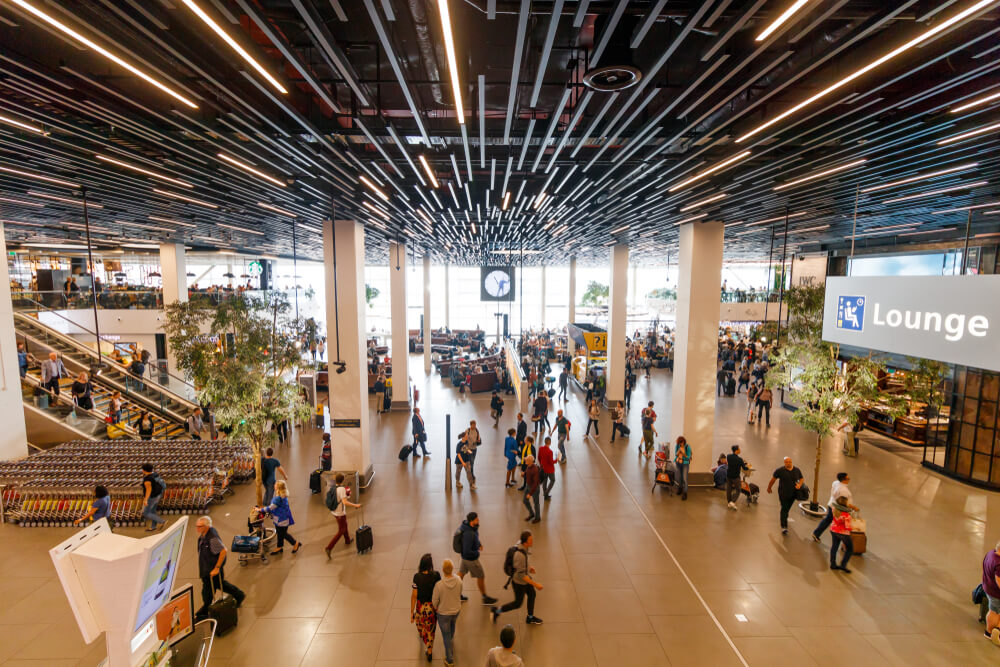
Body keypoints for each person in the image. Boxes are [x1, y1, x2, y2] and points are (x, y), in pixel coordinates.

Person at [193, 516, 245, 620]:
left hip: (212, 570)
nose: (197, 528)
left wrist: (217, 568)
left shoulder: (211, 538)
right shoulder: (205, 535)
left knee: (207, 591)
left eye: (199, 526)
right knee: (221, 585)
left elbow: (223, 551)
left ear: (207, 526)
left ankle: (206, 609)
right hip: (207, 569)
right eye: (196, 526)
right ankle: (239, 595)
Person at [490, 531, 543, 625]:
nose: (532, 541)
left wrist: (529, 568)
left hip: (524, 579)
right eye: (530, 540)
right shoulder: (520, 555)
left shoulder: (522, 547)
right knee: (517, 603)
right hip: (519, 583)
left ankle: (530, 617)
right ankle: (496, 611)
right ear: (525, 542)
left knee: (532, 594)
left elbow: (521, 565)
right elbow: (522, 576)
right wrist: (536, 584)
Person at [457, 512, 498, 605]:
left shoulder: (471, 527)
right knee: (481, 576)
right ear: (471, 521)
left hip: (464, 558)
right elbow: (467, 550)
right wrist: (476, 552)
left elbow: (475, 536)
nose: (478, 520)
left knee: (461, 575)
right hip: (471, 560)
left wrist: (478, 544)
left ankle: (455, 595)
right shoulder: (469, 533)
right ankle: (485, 597)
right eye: (476, 519)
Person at [432, 558, 463, 667]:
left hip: (443, 613)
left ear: (443, 570)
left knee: (445, 634)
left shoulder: (439, 585)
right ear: (452, 569)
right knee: (452, 625)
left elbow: (434, 601)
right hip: (456, 610)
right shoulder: (459, 580)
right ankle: (450, 641)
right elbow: (460, 593)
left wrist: (436, 608)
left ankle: (449, 660)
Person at [410, 553, 440, 662]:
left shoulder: (417, 577)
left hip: (421, 607)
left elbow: (414, 595)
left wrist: (411, 612)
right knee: (431, 629)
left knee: (420, 624)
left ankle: (422, 635)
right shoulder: (436, 575)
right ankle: (430, 651)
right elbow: (439, 590)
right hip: (432, 607)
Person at [812, 472, 859, 542]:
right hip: (837, 508)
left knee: (827, 520)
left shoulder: (836, 483)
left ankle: (816, 533)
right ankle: (843, 542)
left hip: (831, 504)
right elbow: (845, 503)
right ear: (843, 480)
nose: (849, 479)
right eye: (848, 478)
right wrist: (854, 507)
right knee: (841, 524)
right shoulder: (843, 490)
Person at [325, 472, 361, 558]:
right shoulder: (342, 489)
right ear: (343, 480)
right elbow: (344, 502)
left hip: (334, 511)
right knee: (341, 530)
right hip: (339, 513)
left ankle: (347, 540)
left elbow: (340, 498)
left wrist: (346, 496)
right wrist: (356, 505)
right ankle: (329, 547)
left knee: (345, 525)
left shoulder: (334, 487)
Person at [767, 457, 804, 534]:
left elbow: (801, 478)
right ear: (784, 463)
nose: (788, 463)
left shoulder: (797, 470)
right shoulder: (780, 470)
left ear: (791, 462)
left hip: (793, 494)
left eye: (789, 462)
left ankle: (784, 518)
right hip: (783, 493)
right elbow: (773, 479)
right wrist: (769, 487)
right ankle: (784, 526)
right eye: (786, 462)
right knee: (784, 509)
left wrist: (800, 485)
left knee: (786, 509)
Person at [263, 480, 301, 554]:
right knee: (280, 533)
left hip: (281, 520)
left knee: (283, 534)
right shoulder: (282, 494)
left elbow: (270, 508)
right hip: (282, 518)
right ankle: (279, 547)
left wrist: (260, 509)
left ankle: (295, 543)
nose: (274, 485)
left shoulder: (278, 498)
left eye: (276, 485)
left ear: (278, 487)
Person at [828, 496, 854, 573]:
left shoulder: (834, 509)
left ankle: (833, 564)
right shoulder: (846, 515)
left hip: (833, 530)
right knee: (850, 549)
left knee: (834, 547)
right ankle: (843, 564)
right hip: (843, 533)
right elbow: (848, 527)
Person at [981, 541, 1000, 646]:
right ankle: (990, 631)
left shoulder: (991, 553)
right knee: (994, 611)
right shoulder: (999, 564)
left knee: (995, 610)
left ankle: (993, 630)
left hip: (987, 585)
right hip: (996, 593)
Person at [141, 463, 166, 531]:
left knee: (146, 513)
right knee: (152, 511)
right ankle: (153, 527)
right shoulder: (155, 474)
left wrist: (146, 499)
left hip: (152, 497)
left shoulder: (147, 479)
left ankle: (161, 521)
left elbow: (149, 490)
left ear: (144, 470)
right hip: (158, 495)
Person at [725, 446, 748, 510]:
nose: (740, 450)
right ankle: (733, 501)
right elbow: (744, 468)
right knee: (738, 489)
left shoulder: (728, 456)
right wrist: (748, 467)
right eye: (739, 449)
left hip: (729, 476)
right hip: (735, 477)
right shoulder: (740, 459)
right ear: (736, 450)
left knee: (729, 489)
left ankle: (729, 502)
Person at [522, 455, 542, 523]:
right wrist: (524, 474)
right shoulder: (529, 466)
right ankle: (531, 513)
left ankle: (537, 517)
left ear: (530, 462)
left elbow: (536, 483)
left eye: (526, 460)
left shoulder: (535, 469)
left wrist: (530, 494)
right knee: (525, 500)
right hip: (528, 486)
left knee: (536, 503)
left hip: (534, 488)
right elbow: (527, 473)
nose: (525, 461)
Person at [674, 436, 692, 501]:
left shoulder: (688, 447)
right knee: (680, 477)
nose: (680, 444)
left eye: (681, 443)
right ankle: (680, 488)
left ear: (684, 441)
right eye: (679, 443)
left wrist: (684, 454)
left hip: (685, 464)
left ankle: (685, 493)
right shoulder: (677, 446)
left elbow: (688, 457)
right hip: (678, 463)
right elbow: (675, 454)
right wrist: (679, 451)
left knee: (685, 478)